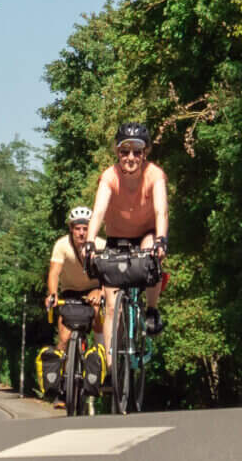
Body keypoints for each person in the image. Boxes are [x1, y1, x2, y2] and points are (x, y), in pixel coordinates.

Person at [87, 122, 171, 340]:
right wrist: (89, 241)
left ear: (145, 153)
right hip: (117, 239)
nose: (130, 157)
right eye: (125, 151)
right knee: (112, 308)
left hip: (146, 234)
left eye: (137, 151)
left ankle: (152, 309)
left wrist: (161, 240)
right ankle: (111, 369)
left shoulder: (155, 175)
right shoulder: (109, 176)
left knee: (152, 250)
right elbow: (98, 212)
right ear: (118, 152)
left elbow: (161, 211)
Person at [43, 204, 104, 410]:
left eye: (85, 228)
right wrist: (52, 294)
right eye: (77, 228)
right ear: (71, 228)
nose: (81, 232)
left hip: (94, 291)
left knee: (97, 319)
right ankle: (62, 388)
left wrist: (101, 292)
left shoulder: (101, 245)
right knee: (64, 338)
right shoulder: (62, 245)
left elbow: (109, 276)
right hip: (70, 293)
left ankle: (101, 364)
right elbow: (54, 273)